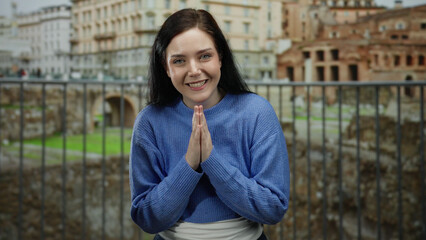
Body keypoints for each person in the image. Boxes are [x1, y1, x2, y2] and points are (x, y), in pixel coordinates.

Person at [129, 8, 290, 240]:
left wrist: (211, 160)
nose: (194, 70)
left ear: (220, 57)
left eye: (205, 56)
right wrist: (189, 164)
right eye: (179, 61)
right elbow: (146, 217)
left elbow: (273, 208)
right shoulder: (149, 122)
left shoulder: (257, 112)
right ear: (166, 68)